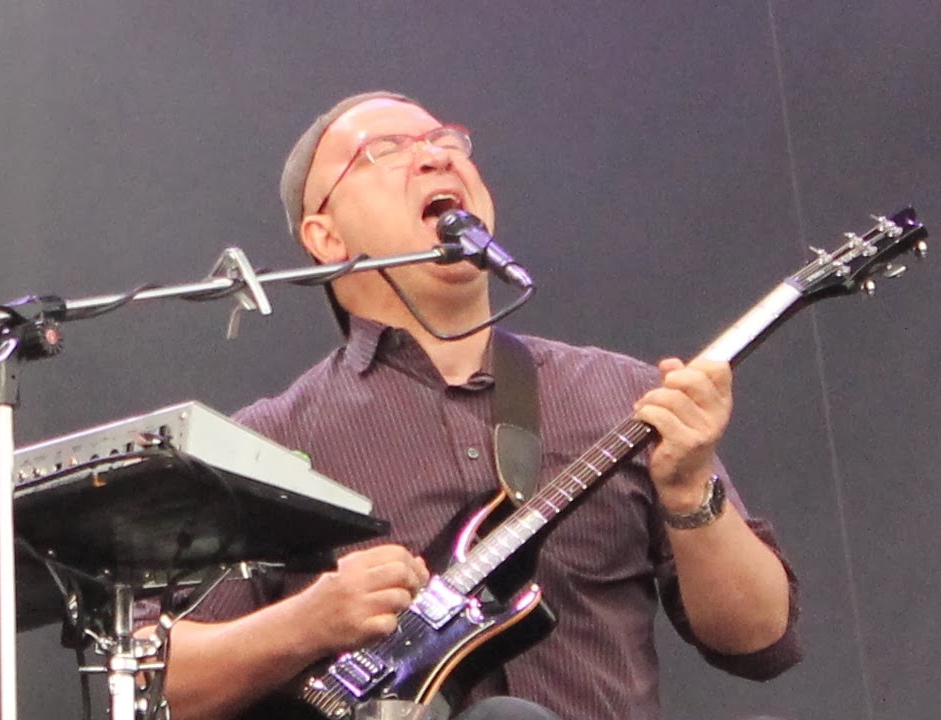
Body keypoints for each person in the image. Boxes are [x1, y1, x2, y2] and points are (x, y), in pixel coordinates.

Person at [157, 91, 802, 720]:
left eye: (447, 141)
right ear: (325, 237)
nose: (436, 156)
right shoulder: (265, 446)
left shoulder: (621, 395)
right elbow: (158, 686)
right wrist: (306, 622)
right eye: (385, 150)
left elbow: (760, 638)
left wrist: (692, 494)